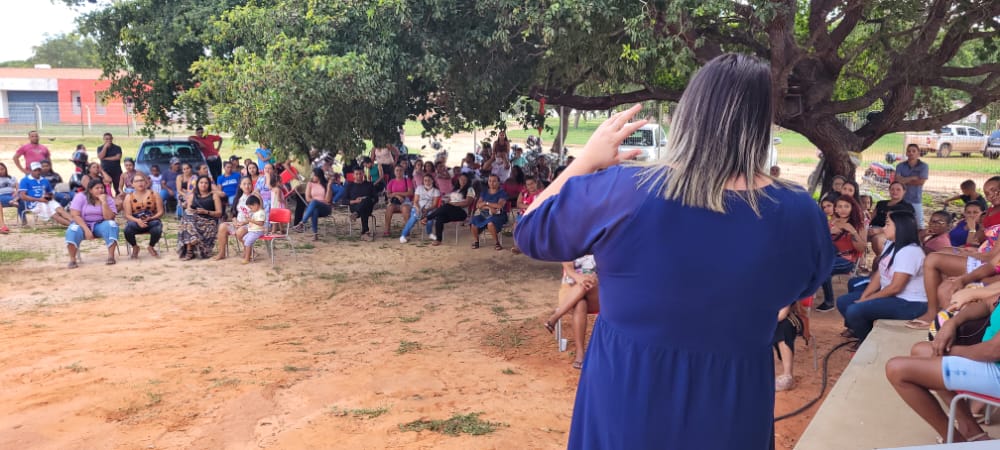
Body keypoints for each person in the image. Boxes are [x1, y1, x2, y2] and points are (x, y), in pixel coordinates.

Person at [514, 54, 833, 449]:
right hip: (733, 403)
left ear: (689, 114)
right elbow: (804, 282)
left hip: (628, 396)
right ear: (762, 122)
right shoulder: (798, 212)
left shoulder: (625, 191)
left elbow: (530, 231)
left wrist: (587, 160)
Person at [884, 283, 1000, 443]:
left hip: (995, 367)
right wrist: (952, 323)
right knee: (921, 350)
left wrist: (949, 352)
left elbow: (993, 351)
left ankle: (955, 442)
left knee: (896, 370)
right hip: (993, 362)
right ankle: (971, 430)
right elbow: (987, 304)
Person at [835, 211, 927, 350]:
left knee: (855, 310)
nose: (884, 228)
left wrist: (868, 299)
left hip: (910, 303)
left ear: (900, 227)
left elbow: (896, 287)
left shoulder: (910, 251)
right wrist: (865, 295)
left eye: (888, 224)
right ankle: (865, 335)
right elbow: (879, 274)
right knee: (843, 302)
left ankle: (868, 344)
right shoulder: (891, 244)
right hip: (894, 297)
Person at [543, 255, 601, 370]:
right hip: (569, 292)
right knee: (580, 302)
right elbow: (569, 269)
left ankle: (555, 318)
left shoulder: (601, 246)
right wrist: (580, 279)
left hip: (595, 292)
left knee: (585, 285)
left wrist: (591, 278)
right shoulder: (569, 247)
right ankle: (580, 354)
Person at [817, 195, 867, 312]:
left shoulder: (858, 225)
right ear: (835, 209)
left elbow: (861, 249)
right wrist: (829, 232)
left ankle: (829, 301)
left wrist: (852, 231)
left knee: (823, 268)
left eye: (846, 206)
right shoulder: (832, 222)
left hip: (847, 260)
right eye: (839, 206)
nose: (843, 209)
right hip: (829, 256)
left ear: (852, 208)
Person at [65, 179, 120, 268]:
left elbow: (109, 218)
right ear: (90, 190)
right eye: (97, 188)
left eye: (102, 188)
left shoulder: (108, 199)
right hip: (82, 224)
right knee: (73, 230)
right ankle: (72, 260)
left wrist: (104, 202)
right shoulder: (80, 197)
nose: (100, 190)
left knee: (112, 225)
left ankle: (111, 256)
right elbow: (75, 215)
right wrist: (86, 230)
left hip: (100, 224)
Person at [423, 173, 476, 246]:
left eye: (465, 179)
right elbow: (450, 199)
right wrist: (446, 200)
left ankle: (427, 218)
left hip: (462, 212)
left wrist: (454, 204)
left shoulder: (470, 189)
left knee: (447, 206)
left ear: (468, 180)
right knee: (439, 217)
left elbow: (467, 202)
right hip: (451, 211)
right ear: (458, 179)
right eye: (461, 179)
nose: (462, 181)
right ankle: (438, 240)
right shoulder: (456, 189)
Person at [178, 175, 222, 260]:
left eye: (206, 183)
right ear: (197, 184)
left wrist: (206, 212)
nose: (203, 185)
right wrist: (193, 210)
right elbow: (189, 210)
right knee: (187, 216)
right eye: (201, 183)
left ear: (209, 185)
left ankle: (190, 250)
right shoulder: (193, 196)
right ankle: (190, 249)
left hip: (209, 221)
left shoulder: (214, 196)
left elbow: (219, 213)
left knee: (187, 222)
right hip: (194, 220)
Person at [213, 177, 256, 261]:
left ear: (252, 185)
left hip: (251, 224)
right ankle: (222, 253)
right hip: (239, 224)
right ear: (240, 186)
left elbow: (257, 216)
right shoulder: (238, 198)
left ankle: (249, 250)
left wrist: (243, 223)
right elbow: (234, 213)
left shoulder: (255, 198)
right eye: (244, 184)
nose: (247, 186)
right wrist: (235, 221)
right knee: (222, 226)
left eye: (249, 184)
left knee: (239, 232)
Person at [122, 172, 164, 259]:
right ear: (132, 184)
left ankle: (151, 246)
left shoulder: (154, 194)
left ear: (146, 182)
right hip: (135, 221)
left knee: (157, 226)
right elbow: (127, 215)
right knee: (127, 229)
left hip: (151, 220)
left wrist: (151, 218)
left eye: (141, 180)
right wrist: (138, 221)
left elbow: (161, 212)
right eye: (136, 181)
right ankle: (135, 247)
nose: (140, 183)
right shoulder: (129, 197)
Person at [18, 161, 72, 226]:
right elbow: (23, 196)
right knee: (54, 215)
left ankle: (76, 223)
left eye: (39, 170)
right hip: (35, 204)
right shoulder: (25, 180)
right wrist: (39, 199)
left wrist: (49, 196)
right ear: (31, 171)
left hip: (46, 200)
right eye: (35, 170)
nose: (38, 172)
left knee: (60, 210)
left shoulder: (44, 180)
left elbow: (51, 192)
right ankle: (74, 226)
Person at [869, 181, 915, 255]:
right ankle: (858, 259)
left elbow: (902, 226)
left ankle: (883, 259)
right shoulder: (881, 203)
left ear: (904, 191)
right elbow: (871, 218)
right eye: (892, 189)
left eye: (898, 189)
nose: (895, 191)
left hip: (892, 232)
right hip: (873, 228)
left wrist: (880, 230)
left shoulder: (906, 207)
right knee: (856, 235)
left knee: (877, 239)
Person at [469, 174, 508, 250]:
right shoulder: (484, 192)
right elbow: (478, 205)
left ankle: (497, 243)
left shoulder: (502, 193)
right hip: (484, 214)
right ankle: (476, 241)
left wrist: (486, 203)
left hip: (498, 215)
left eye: (494, 181)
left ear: (498, 182)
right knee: (473, 221)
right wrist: (489, 207)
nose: (491, 183)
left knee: (490, 223)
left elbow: (499, 206)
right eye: (490, 181)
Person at [292, 168, 333, 240]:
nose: (312, 177)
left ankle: (302, 223)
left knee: (314, 202)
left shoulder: (326, 185)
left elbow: (327, 200)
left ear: (318, 176)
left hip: (325, 208)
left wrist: (329, 187)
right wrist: (317, 202)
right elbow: (308, 199)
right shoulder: (310, 184)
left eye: (313, 175)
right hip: (315, 206)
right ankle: (315, 234)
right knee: (314, 210)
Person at [896, 143, 930, 228]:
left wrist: (904, 180)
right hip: (901, 199)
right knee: (900, 223)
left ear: (918, 153)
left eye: (914, 151)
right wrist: (912, 178)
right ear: (906, 153)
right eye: (909, 151)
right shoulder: (900, 166)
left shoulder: (924, 166)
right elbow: (897, 181)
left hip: (916, 199)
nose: (911, 153)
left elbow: (921, 182)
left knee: (919, 224)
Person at [400, 174, 440, 243]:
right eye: (425, 180)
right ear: (423, 181)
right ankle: (403, 235)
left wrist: (427, 210)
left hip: (429, 209)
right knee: (413, 218)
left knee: (430, 217)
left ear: (432, 181)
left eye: (429, 180)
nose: (427, 182)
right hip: (418, 207)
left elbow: (434, 205)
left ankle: (429, 233)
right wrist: (418, 209)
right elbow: (415, 201)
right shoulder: (419, 188)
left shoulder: (436, 191)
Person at [345, 167, 377, 241]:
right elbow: (344, 201)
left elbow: (376, 198)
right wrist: (355, 201)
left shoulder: (369, 184)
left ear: (363, 174)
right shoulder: (350, 186)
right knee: (364, 208)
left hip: (368, 206)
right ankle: (365, 233)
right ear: (353, 175)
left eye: (360, 174)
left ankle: (356, 214)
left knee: (366, 200)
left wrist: (366, 199)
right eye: (357, 174)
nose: (359, 176)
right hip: (355, 207)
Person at [383, 165, 414, 237]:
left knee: (405, 208)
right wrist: (397, 196)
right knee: (389, 208)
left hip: (406, 202)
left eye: (400, 170)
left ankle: (407, 229)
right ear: (394, 172)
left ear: (403, 171)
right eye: (397, 170)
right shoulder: (391, 181)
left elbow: (410, 192)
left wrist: (396, 193)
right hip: (395, 202)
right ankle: (387, 229)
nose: (399, 172)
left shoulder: (407, 180)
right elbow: (388, 194)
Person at [241, 196, 266, 264]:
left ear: (256, 204)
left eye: (251, 208)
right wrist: (246, 221)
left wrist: (251, 220)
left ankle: (247, 258)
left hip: (257, 231)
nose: (251, 209)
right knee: (244, 239)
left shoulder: (261, 212)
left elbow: (261, 223)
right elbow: (253, 221)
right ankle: (249, 254)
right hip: (252, 231)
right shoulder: (256, 212)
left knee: (248, 242)